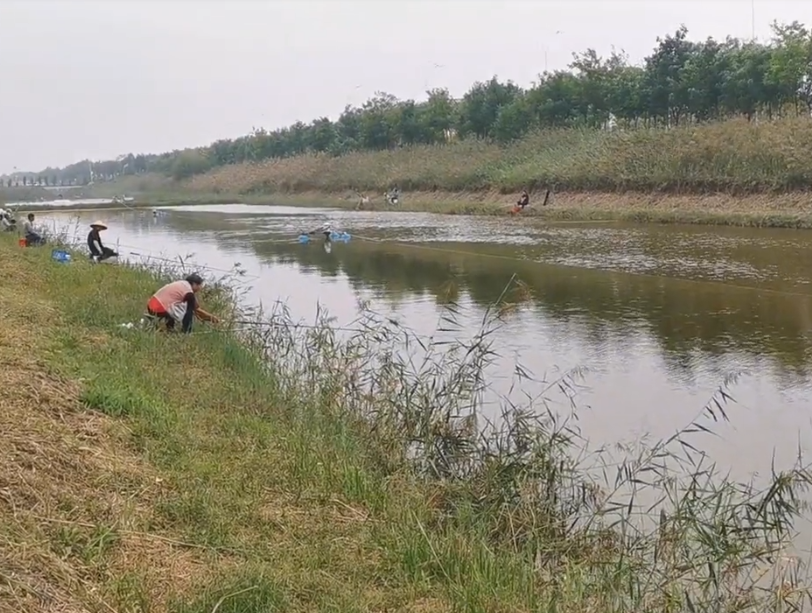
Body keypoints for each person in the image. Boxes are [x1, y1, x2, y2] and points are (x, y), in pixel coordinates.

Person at [146, 273, 220, 333]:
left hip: (151, 306)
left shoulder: (181, 284)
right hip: (159, 309)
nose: (200, 288)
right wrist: (213, 319)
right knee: (188, 310)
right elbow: (197, 311)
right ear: (194, 284)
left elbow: (197, 309)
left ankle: (170, 329)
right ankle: (186, 331)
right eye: (200, 286)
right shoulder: (188, 292)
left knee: (178, 305)